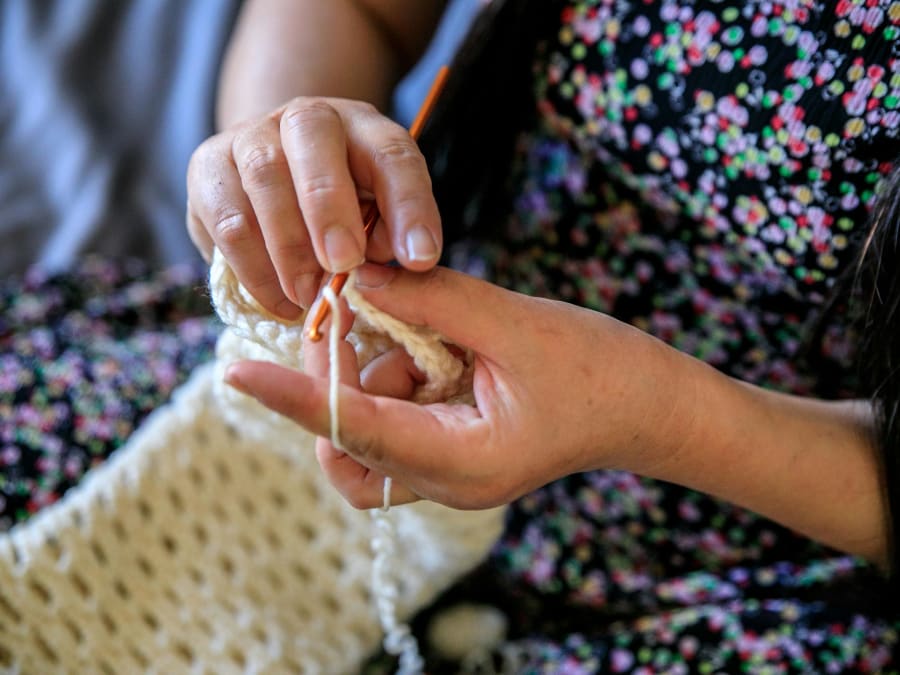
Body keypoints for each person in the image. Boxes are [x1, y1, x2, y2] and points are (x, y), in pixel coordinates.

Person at [188, 0, 900, 670]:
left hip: (771, 538)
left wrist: (655, 414)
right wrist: (282, 153)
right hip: (403, 362)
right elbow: (360, 11)